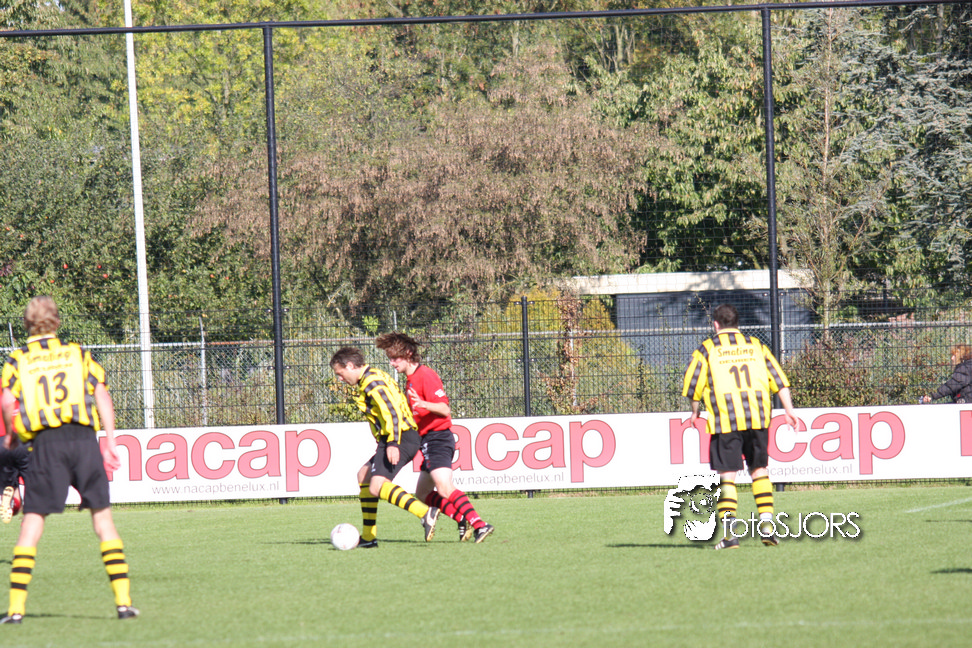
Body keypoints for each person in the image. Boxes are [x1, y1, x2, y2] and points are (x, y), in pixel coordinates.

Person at [0, 296, 137, 623]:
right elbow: (101, 393)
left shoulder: (18, 359)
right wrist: (110, 441)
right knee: (103, 521)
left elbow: (7, 401)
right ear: (57, 322)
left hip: (46, 444)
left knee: (32, 524)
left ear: (26, 325)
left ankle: (16, 611)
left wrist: (11, 434)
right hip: (83, 441)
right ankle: (123, 604)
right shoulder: (78, 353)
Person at [681, 303, 798, 550]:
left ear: (715, 324)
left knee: (727, 477)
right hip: (757, 418)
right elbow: (779, 380)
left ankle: (730, 536)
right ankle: (767, 527)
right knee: (759, 470)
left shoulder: (707, 349)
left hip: (725, 421)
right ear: (737, 324)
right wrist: (789, 410)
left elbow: (693, 385)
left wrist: (694, 411)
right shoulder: (757, 346)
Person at [376, 333, 494, 543]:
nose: (392, 363)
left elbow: (444, 409)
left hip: (438, 438)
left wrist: (423, 404)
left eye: (395, 358)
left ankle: (479, 524)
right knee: (422, 494)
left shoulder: (425, 375)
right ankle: (461, 518)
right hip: (427, 441)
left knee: (444, 488)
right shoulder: (410, 380)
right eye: (390, 358)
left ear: (408, 354)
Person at [329, 346, 439, 548]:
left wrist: (392, 443)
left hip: (399, 436)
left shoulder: (372, 382)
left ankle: (425, 512)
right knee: (364, 475)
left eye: (340, 373)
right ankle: (368, 537)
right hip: (397, 436)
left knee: (376, 486)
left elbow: (392, 411)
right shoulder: (371, 376)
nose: (340, 378)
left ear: (350, 365)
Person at [0, 406, 28, 524]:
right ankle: (29, 514)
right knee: (31, 482)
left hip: (2, 441)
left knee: (9, 485)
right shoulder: (22, 396)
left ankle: (12, 503)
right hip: (22, 439)